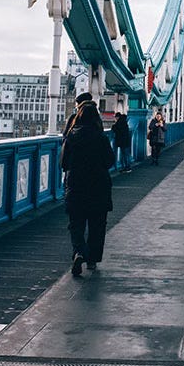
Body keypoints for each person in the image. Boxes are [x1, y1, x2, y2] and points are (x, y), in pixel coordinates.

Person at [61, 99, 115, 276]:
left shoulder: (71, 136)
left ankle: (78, 252)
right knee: (97, 225)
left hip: (76, 186)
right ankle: (92, 260)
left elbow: (64, 163)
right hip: (98, 187)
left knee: (76, 224)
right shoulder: (101, 137)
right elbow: (109, 162)